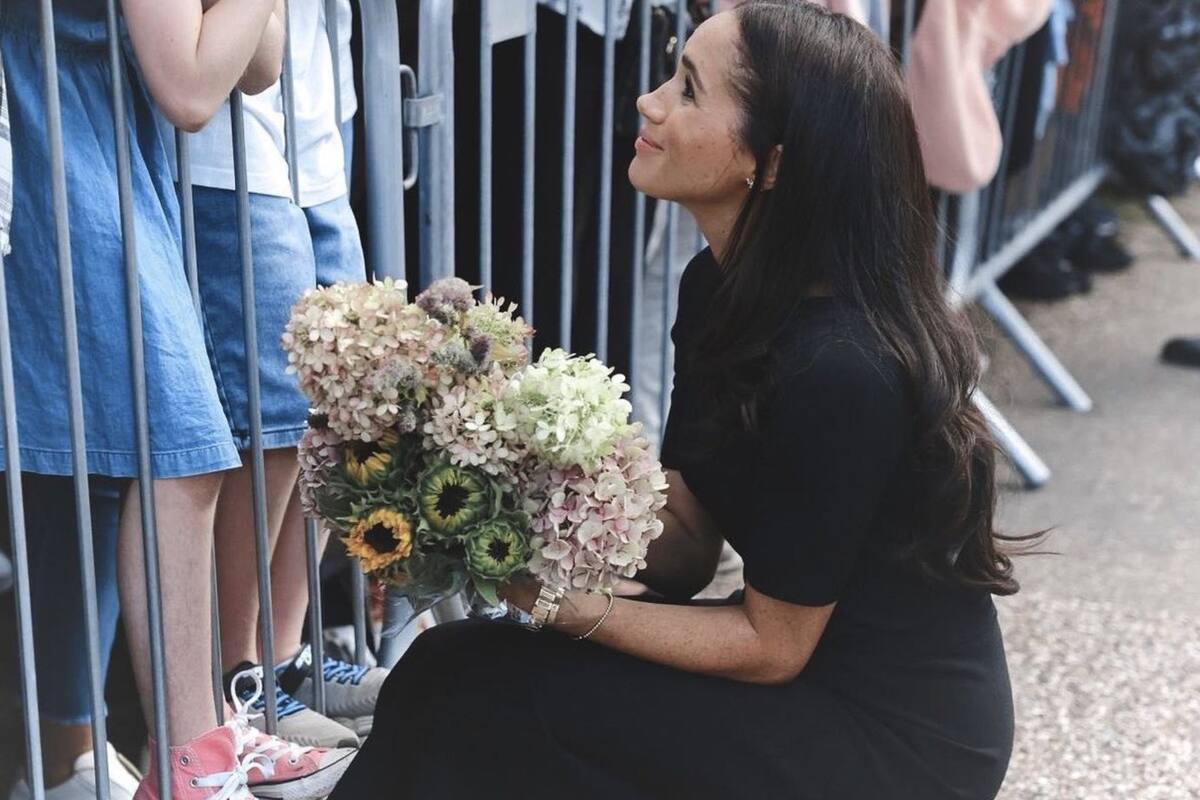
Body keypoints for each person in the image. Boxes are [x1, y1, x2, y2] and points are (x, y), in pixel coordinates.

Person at [331, 3, 1023, 798]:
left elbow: (772, 646)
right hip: (807, 685)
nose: (649, 101)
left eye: (689, 90)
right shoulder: (721, 286)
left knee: (494, 701)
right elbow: (688, 543)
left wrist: (559, 605)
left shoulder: (843, 365)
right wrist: (487, 471)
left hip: (894, 739)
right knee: (454, 666)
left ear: (770, 163)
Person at [1, 1, 351, 798]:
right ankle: (184, 758)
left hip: (102, 138)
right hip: (51, 130)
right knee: (180, 448)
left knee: (182, 454)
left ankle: (195, 752)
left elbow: (256, 66)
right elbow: (191, 87)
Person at [160, 0, 387, 750]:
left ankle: (283, 660)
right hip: (232, 149)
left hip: (315, 125)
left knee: (335, 406)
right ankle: (242, 676)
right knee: (272, 421)